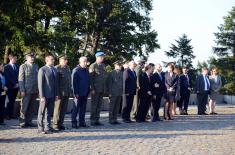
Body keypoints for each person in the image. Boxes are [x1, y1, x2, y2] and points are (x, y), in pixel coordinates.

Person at [37, 54, 59, 134]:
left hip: (52, 95)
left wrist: (56, 94)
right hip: (45, 95)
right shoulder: (42, 69)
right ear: (47, 60)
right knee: (41, 112)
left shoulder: (54, 69)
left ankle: (47, 127)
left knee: (49, 112)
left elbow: (56, 83)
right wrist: (42, 96)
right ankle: (40, 128)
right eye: (52, 59)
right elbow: (40, 84)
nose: (53, 61)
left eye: (53, 59)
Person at [18, 51, 38, 128]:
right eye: (31, 57)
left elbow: (37, 78)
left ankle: (29, 121)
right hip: (26, 90)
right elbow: (21, 79)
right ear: (27, 58)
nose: (32, 58)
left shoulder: (36, 66)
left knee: (32, 107)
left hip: (34, 90)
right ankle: (22, 122)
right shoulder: (23, 66)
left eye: (33, 57)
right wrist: (22, 90)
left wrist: (38, 89)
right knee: (24, 106)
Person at [53, 55, 71, 131]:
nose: (66, 61)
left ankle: (61, 124)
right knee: (57, 109)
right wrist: (57, 93)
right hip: (59, 92)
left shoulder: (68, 68)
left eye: (66, 60)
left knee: (64, 109)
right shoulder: (57, 68)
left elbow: (69, 80)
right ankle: (55, 124)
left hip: (66, 92)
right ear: (60, 61)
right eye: (64, 60)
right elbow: (55, 82)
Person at [71, 57, 90, 128]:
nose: (85, 63)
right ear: (80, 62)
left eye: (86, 61)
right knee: (75, 109)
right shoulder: (76, 70)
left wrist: (88, 91)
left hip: (85, 93)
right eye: (84, 61)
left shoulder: (86, 70)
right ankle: (74, 123)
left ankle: (82, 122)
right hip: (78, 94)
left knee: (83, 109)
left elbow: (88, 81)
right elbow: (73, 83)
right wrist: (75, 93)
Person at [89, 51, 107, 126]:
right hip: (95, 89)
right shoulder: (93, 66)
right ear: (97, 57)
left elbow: (104, 77)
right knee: (94, 105)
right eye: (101, 57)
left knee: (99, 105)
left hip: (101, 88)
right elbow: (91, 79)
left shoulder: (103, 65)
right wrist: (92, 88)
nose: (102, 58)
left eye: (103, 57)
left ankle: (97, 119)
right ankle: (92, 120)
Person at [4, 53, 19, 119]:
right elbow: (7, 77)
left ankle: (11, 114)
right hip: (10, 87)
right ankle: (7, 115)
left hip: (16, 87)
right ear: (10, 58)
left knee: (13, 101)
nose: (16, 59)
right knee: (8, 101)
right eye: (15, 58)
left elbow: (19, 76)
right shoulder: (6, 67)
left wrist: (18, 84)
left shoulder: (17, 66)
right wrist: (14, 84)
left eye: (16, 58)